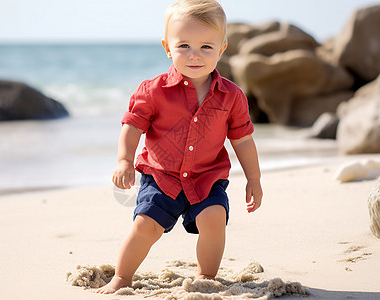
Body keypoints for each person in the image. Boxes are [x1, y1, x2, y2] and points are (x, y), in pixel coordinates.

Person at [96, 0, 263, 294]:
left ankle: (205, 276)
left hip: (207, 177)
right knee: (146, 225)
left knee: (215, 220)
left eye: (206, 47)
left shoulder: (232, 96)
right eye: (184, 45)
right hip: (161, 176)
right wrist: (124, 160)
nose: (194, 55)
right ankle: (121, 278)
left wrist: (254, 178)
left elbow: (243, 139)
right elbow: (132, 126)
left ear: (222, 48)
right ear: (167, 47)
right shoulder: (153, 90)